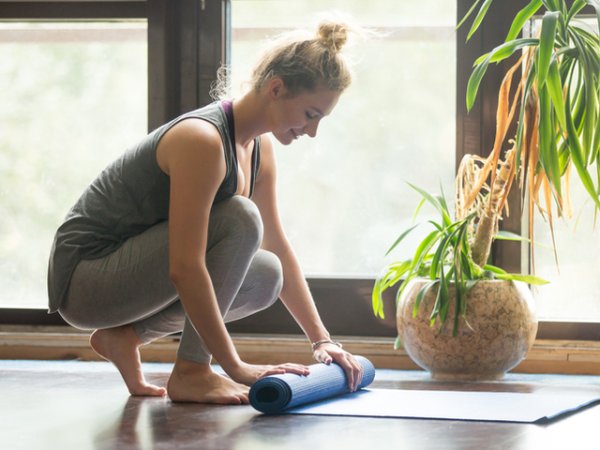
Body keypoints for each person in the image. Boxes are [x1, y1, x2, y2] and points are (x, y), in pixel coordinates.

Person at [47, 19, 363, 404]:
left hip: (127, 278)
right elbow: (184, 265)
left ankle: (125, 337)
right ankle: (192, 371)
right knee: (241, 217)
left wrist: (322, 340)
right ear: (276, 89)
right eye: (311, 115)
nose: (311, 131)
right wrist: (234, 365)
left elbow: (277, 245)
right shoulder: (203, 141)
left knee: (267, 273)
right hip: (86, 280)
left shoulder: (260, 151)